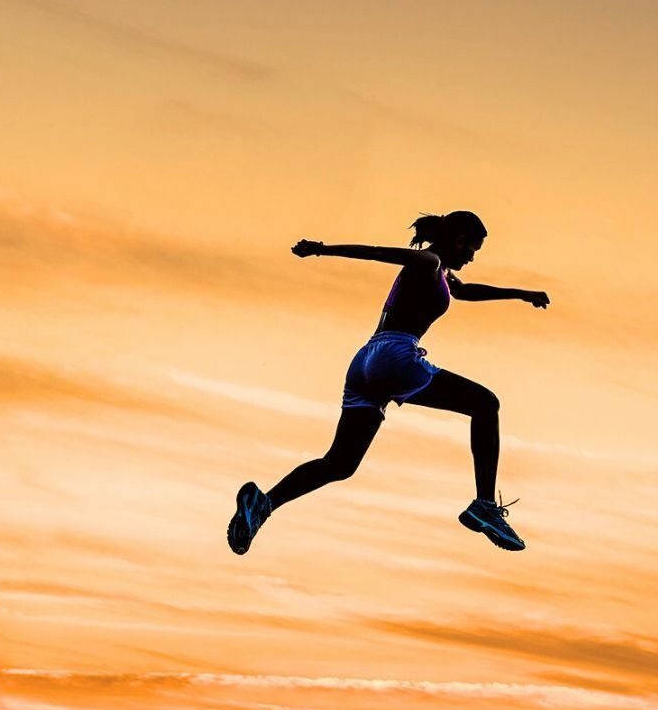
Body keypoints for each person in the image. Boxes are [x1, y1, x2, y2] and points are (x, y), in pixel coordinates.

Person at [227, 210, 550, 556]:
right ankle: (484, 504)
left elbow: (466, 291)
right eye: (472, 249)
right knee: (485, 404)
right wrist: (322, 249)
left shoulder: (441, 272)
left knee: (340, 463)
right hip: (395, 355)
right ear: (458, 240)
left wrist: (521, 293)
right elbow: (378, 252)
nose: (472, 258)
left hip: (365, 362)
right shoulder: (428, 261)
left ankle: (264, 504)